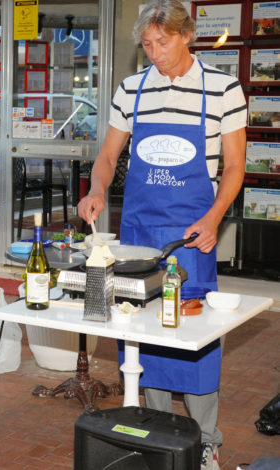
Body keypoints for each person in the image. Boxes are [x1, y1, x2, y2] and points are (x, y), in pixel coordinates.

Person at [77, 2, 246, 469]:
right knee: (143, 333)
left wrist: (213, 218)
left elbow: (234, 167)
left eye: (163, 42)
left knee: (195, 337)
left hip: (194, 235)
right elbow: (108, 157)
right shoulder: (131, 90)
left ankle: (206, 441)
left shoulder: (223, 89)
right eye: (147, 45)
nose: (154, 53)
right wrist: (95, 189)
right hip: (139, 233)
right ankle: (156, 438)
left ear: (187, 35)